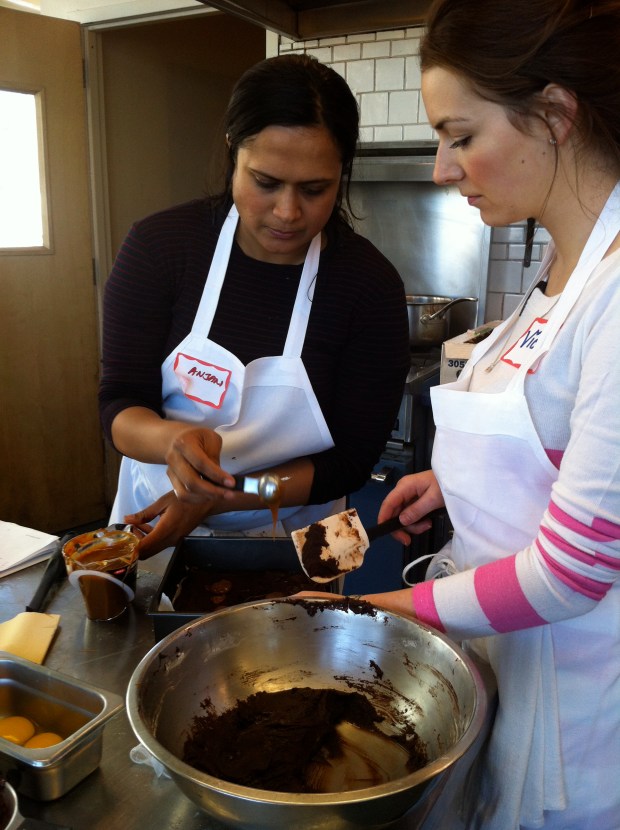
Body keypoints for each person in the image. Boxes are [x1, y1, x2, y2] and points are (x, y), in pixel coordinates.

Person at [303, 2, 620, 828]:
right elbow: (560, 445)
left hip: (578, 707)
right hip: (510, 667)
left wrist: (378, 616)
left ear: (555, 114)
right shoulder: (566, 262)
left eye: (460, 134)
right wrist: (454, 483)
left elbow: (573, 572)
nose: (444, 168)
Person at [98, 53, 410, 558]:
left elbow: (351, 462)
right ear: (232, 152)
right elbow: (118, 402)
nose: (288, 213)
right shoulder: (160, 248)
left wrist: (224, 498)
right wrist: (169, 440)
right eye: (265, 182)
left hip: (306, 536)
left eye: (315, 189)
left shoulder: (367, 285)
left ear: (342, 172)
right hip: (153, 516)